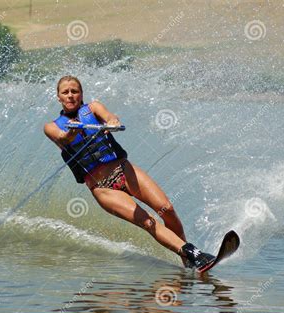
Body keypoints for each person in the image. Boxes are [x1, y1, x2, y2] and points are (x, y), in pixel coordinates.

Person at [44, 75, 214, 269]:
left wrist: (113, 122)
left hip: (123, 170)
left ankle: (187, 260)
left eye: (75, 91)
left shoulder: (93, 108)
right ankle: (194, 253)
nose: (71, 95)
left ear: (81, 94)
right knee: (148, 222)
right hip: (103, 189)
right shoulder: (51, 127)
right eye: (65, 92)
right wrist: (71, 132)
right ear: (59, 97)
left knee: (167, 209)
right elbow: (63, 138)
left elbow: (110, 117)